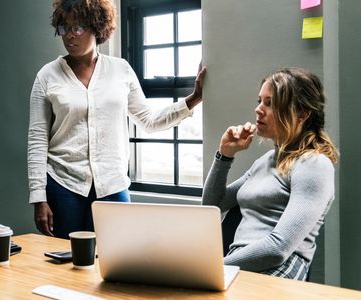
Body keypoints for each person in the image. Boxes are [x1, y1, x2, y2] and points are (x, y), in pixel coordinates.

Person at [28, 0, 206, 239]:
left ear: (96, 26)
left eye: (77, 27)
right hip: (63, 184)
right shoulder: (47, 76)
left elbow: (148, 119)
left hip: (112, 183)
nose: (69, 35)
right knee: (66, 262)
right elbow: (37, 139)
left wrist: (193, 100)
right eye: (64, 28)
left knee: (117, 256)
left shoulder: (120, 70)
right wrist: (38, 197)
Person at [202, 68, 338, 280]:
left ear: (302, 114)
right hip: (238, 261)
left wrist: (211, 266)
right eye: (260, 101)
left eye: (270, 103)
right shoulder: (265, 161)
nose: (258, 109)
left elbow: (278, 249)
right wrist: (224, 155)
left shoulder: (314, 165)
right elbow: (213, 204)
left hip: (279, 267)